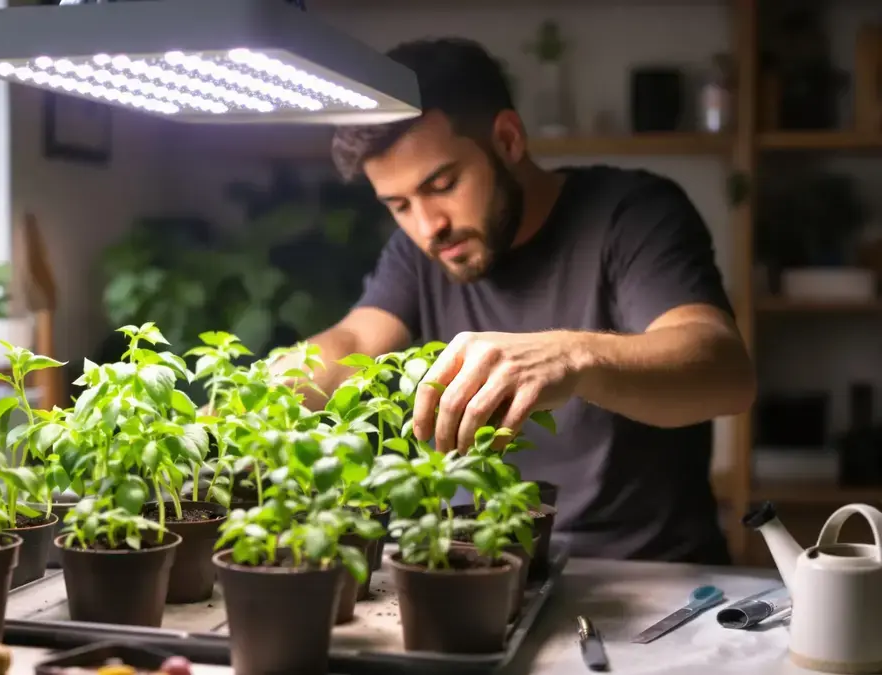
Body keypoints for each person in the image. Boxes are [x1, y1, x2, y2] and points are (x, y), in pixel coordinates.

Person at [275, 37, 757, 564]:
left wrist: (574, 357)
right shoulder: (423, 251)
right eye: (398, 205)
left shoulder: (632, 215)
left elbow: (723, 371)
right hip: (487, 565)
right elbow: (355, 341)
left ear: (507, 139)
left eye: (443, 183)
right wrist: (248, 401)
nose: (427, 226)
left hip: (645, 576)